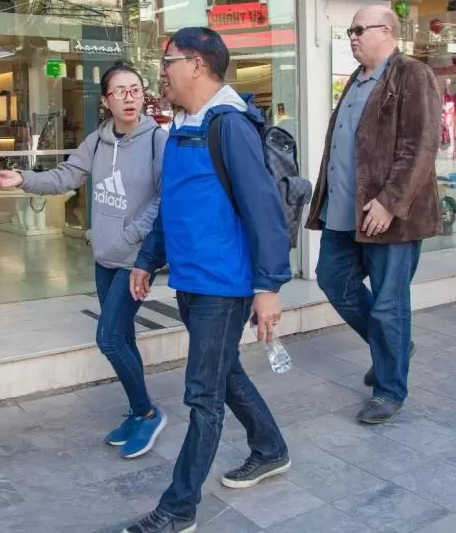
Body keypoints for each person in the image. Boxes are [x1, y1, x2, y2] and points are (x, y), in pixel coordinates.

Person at [124, 27, 291, 533]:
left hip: (224, 284)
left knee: (203, 394)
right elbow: (170, 206)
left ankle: (178, 509)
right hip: (191, 281)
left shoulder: (229, 125)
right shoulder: (182, 125)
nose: (162, 72)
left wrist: (268, 288)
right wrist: (146, 259)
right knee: (225, 372)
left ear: (196, 64)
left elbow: (264, 212)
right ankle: (271, 447)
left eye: (168, 61)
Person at [0, 62, 168, 458]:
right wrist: (24, 179)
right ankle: (138, 412)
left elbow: (163, 199)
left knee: (108, 338)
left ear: (143, 95)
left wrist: (131, 236)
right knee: (123, 338)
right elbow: (66, 176)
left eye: (135, 89)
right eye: (119, 91)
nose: (129, 97)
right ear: (106, 100)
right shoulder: (98, 140)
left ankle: (148, 411)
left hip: (133, 260)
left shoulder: (158, 141)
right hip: (104, 256)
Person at [305, 5, 442, 425]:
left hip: (390, 216)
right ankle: (394, 347)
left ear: (388, 31)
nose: (352, 36)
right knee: (332, 278)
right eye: (350, 30)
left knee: (388, 305)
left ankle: (389, 390)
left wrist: (389, 200)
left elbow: (420, 145)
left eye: (359, 29)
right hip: (343, 213)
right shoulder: (357, 80)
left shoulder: (411, 75)